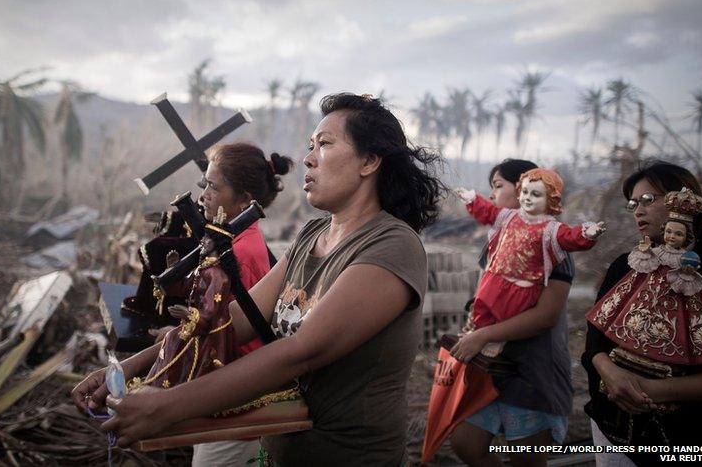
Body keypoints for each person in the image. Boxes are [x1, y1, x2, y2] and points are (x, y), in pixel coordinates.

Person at [72, 93, 447, 465]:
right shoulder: (309, 237)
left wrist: (167, 406)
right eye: (310, 145)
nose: (308, 158)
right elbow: (235, 322)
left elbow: (303, 351)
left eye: (325, 144)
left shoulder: (393, 245)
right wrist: (129, 367)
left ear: (369, 161)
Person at [150, 142, 293, 467]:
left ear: (244, 200)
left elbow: (227, 331)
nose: (203, 197)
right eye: (205, 186)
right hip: (226, 394)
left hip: (238, 400)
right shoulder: (234, 242)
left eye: (214, 187)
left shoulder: (241, 252)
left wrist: (184, 332)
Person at [582, 161, 702, 466]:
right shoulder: (627, 264)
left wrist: (651, 390)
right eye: (633, 203)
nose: (638, 211)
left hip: (688, 439)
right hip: (611, 429)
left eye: (648, 200)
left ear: (682, 203)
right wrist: (610, 372)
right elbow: (595, 338)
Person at [448, 159, 579, 467]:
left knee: (527, 460)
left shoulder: (552, 243)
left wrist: (481, 336)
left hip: (531, 369)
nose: (492, 195)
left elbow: (544, 317)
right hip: (492, 365)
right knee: (466, 443)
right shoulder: (500, 239)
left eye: (498, 186)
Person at [455, 168, 605, 355]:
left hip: (522, 285)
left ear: (551, 199)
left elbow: (570, 237)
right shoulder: (508, 217)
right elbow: (488, 212)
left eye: (536, 194)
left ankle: (492, 344)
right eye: (525, 192)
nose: (527, 198)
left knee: (506, 316)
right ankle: (472, 335)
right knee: (482, 308)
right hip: (495, 278)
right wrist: (472, 199)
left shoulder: (551, 230)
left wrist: (587, 234)